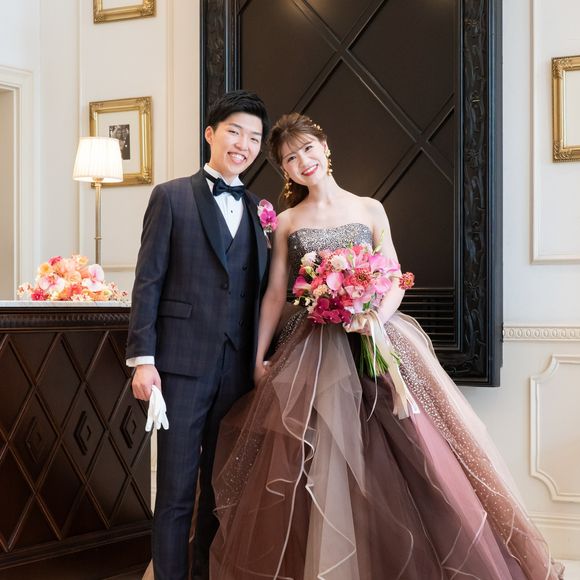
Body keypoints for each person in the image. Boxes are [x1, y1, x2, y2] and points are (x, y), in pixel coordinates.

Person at [209, 113, 564, 579]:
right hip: (315, 348)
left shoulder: (369, 208)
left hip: (377, 337)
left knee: (412, 453)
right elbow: (276, 293)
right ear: (285, 170)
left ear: (325, 147)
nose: (302, 161)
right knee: (320, 459)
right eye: (290, 158)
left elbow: (394, 276)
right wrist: (259, 357)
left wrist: (373, 315)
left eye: (307, 149)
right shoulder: (288, 222)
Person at [126, 90, 270, 580]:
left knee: (220, 493)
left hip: (238, 372)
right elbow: (148, 281)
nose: (244, 145)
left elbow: (262, 291)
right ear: (210, 133)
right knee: (175, 492)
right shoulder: (170, 196)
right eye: (235, 132)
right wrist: (143, 359)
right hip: (179, 368)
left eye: (254, 138)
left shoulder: (260, 209)